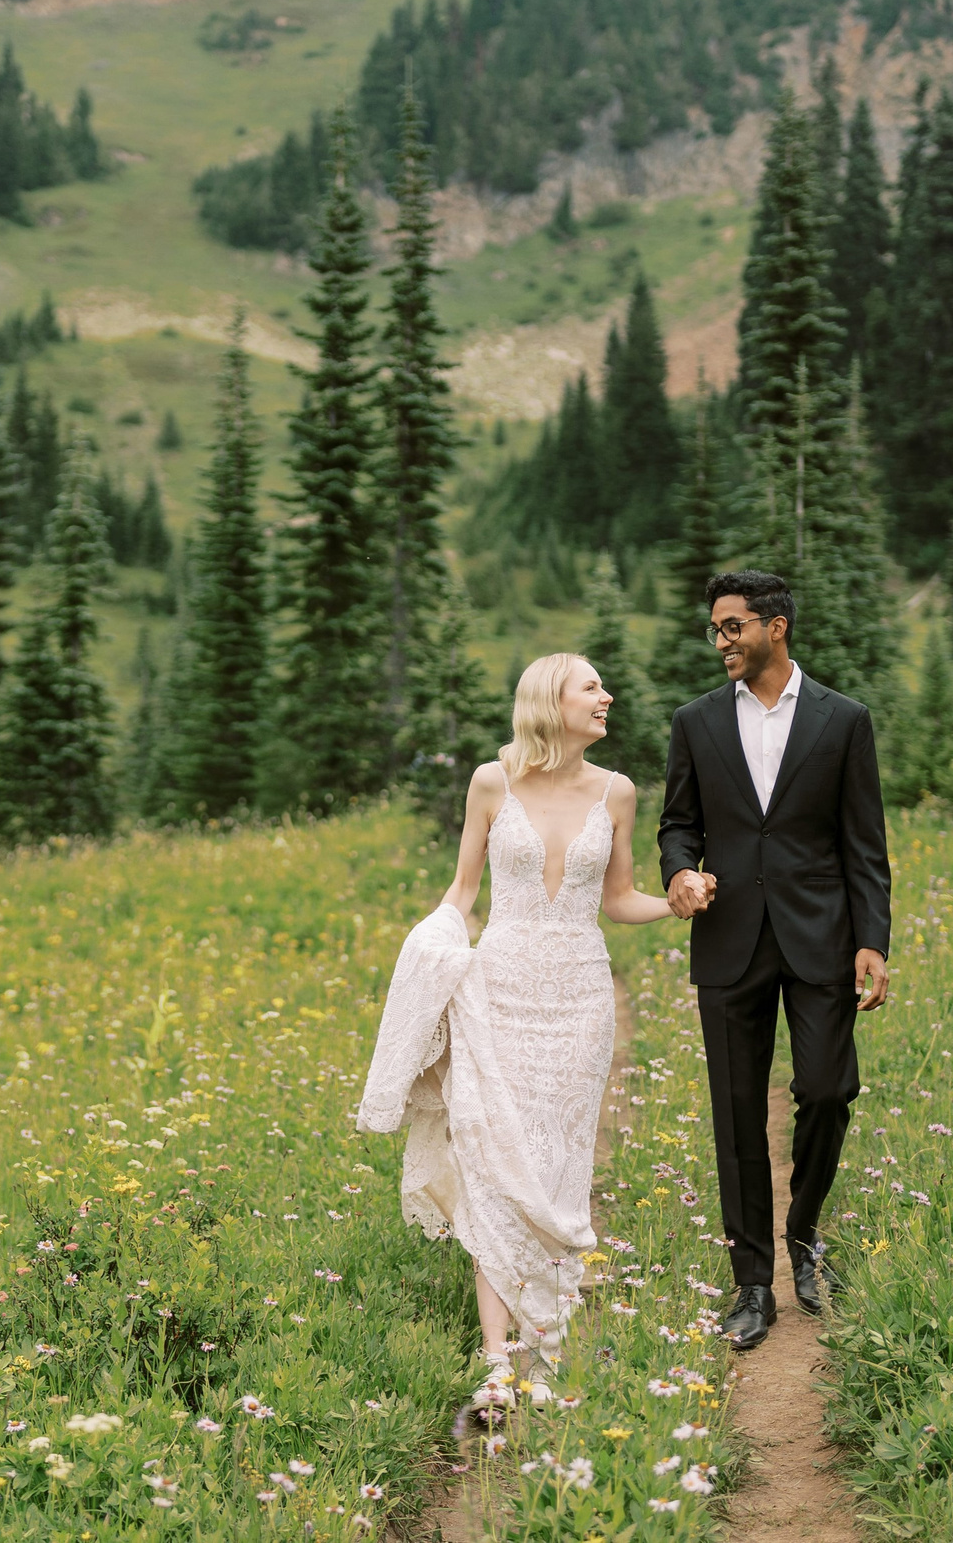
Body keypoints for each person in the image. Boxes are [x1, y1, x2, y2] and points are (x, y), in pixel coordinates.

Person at [358, 653, 674, 1402]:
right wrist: (433, 958)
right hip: (499, 988)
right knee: (497, 1163)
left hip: (579, 996)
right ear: (550, 700)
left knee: (559, 1160)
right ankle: (498, 1355)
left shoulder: (618, 793)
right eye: (591, 686)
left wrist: (676, 905)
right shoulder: (491, 781)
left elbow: (620, 897)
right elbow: (463, 891)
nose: (607, 696)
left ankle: (547, 1332)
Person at [659, 570, 891, 1350]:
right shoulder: (694, 722)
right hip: (729, 939)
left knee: (827, 1089)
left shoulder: (843, 720)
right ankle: (752, 1281)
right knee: (736, 1114)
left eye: (733, 627)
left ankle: (804, 1232)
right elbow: (677, 824)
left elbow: (865, 844)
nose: (721, 641)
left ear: (775, 627)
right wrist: (680, 872)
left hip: (820, 933)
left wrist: (872, 940)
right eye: (716, 629)